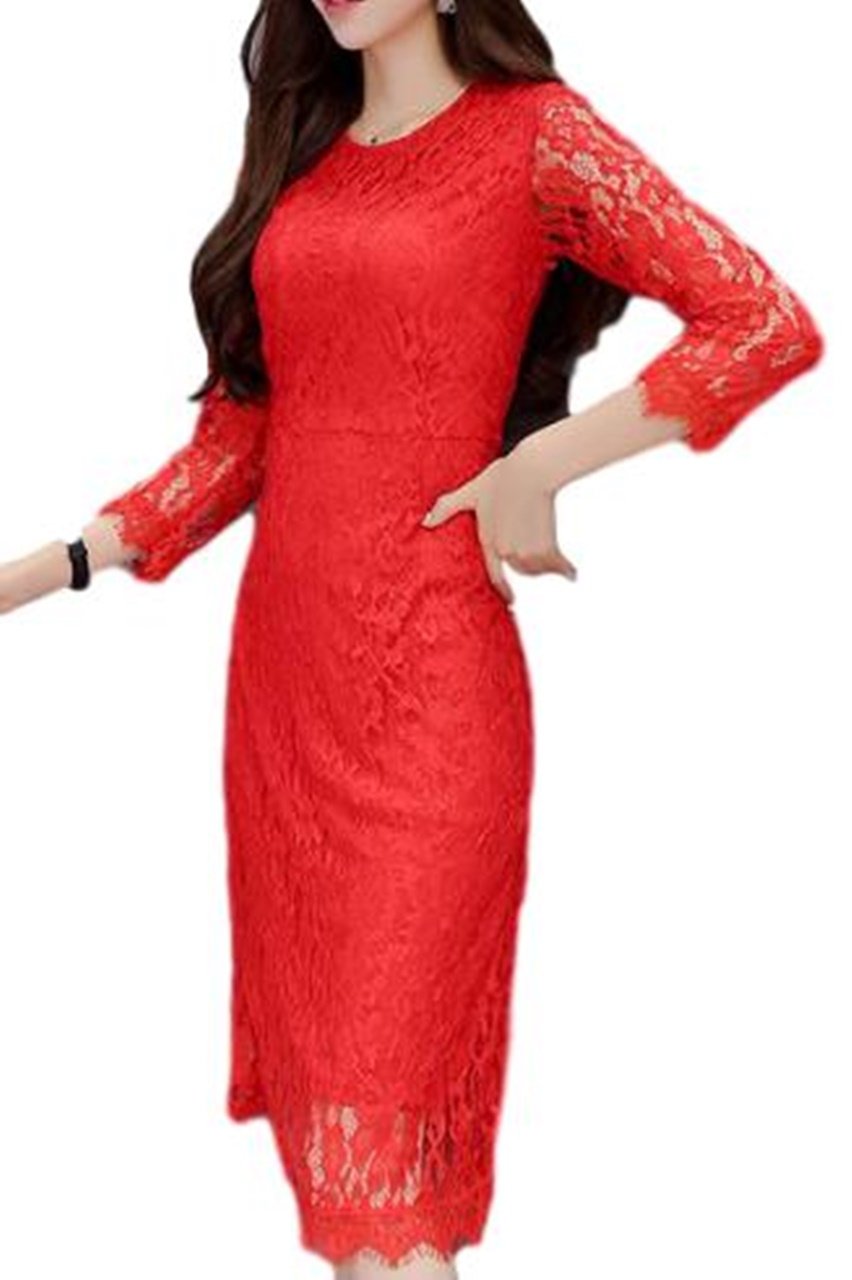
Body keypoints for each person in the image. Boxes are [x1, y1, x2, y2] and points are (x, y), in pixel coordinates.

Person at [0, 1, 824, 1277]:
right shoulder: (303, 162)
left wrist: (539, 461)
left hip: (432, 691)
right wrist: (48, 566)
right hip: (287, 694)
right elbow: (242, 439)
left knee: (383, 1155)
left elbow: (762, 320)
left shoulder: (536, 136)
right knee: (349, 1181)